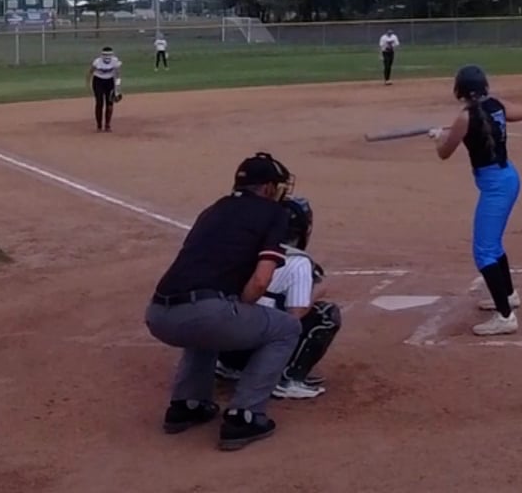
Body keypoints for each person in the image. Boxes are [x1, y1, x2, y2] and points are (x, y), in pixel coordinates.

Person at [144, 152, 305, 451]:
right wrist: (241, 307)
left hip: (158, 314)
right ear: (268, 188)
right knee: (286, 329)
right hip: (206, 313)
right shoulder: (274, 213)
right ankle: (244, 416)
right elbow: (261, 280)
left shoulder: (213, 210)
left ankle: (187, 404)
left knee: (208, 323)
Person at [429, 65, 522, 336]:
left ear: (459, 90)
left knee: (484, 251)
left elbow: (444, 153)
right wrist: (494, 109)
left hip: (496, 187)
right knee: (492, 245)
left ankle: (506, 317)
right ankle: (508, 296)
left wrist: (439, 137)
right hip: (508, 178)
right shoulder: (495, 106)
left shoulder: (465, 117)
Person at [215, 195, 340, 398]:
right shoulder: (299, 262)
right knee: (326, 314)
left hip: (223, 343)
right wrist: (317, 292)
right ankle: (287, 380)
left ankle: (228, 367)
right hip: (256, 349)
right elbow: (295, 314)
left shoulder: (242, 248)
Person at [88, 45, 122, 131]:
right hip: (98, 81)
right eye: (105, 55)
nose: (107, 57)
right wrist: (88, 84)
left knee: (110, 103)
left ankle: (107, 125)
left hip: (109, 82)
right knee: (99, 102)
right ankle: (99, 125)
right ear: (102, 55)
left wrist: (117, 89)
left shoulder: (115, 61)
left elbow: (118, 74)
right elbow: (90, 72)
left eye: (109, 55)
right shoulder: (97, 62)